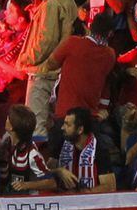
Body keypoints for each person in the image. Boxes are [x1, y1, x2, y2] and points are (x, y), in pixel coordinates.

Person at [42, 13, 116, 157]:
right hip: (91, 120)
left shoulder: (72, 43)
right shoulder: (110, 55)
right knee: (87, 164)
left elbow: (50, 64)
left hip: (65, 118)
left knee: (55, 162)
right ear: (110, 34)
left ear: (89, 27)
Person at [16, 0, 78, 137]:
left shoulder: (52, 4)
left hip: (43, 71)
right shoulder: (71, 3)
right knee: (52, 123)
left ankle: (36, 161)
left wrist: (27, 58)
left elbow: (47, 39)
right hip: (59, 72)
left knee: (36, 123)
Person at [0, 104, 56, 195]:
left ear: (11, 127)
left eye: (8, 118)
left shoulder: (32, 154)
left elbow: (51, 183)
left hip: (25, 201)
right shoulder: (5, 143)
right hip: (5, 197)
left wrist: (26, 185)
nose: (6, 119)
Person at [52, 108, 116, 193]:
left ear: (80, 130)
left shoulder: (99, 148)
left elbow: (110, 187)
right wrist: (59, 171)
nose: (62, 127)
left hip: (91, 202)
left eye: (67, 125)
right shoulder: (62, 141)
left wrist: (81, 194)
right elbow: (46, 171)